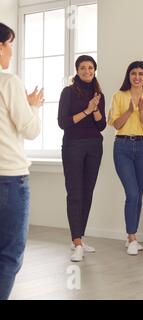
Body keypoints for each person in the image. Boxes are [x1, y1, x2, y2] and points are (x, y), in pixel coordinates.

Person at [0, 23, 44, 300]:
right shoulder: (9, 82)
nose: (11, 51)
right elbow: (30, 130)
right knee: (8, 254)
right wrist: (33, 106)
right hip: (9, 179)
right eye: (9, 44)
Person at [108, 61, 143, 256]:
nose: (137, 77)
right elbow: (116, 125)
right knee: (132, 193)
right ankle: (132, 237)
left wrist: (140, 109)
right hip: (122, 147)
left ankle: (132, 235)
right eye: (133, 74)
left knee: (138, 193)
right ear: (128, 76)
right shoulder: (118, 96)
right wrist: (130, 110)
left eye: (141, 74)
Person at [58, 55, 106, 262]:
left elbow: (102, 126)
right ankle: (76, 242)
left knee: (87, 193)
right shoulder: (68, 92)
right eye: (83, 68)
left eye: (91, 68)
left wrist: (95, 109)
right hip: (73, 146)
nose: (87, 71)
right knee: (75, 193)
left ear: (95, 70)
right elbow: (63, 122)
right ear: (77, 71)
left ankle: (80, 239)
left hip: (94, 146)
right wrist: (86, 110)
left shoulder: (99, 95)